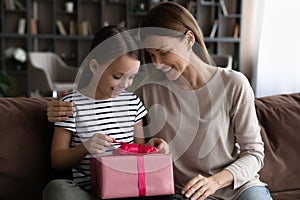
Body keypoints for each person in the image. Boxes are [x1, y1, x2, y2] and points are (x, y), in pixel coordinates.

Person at [47, 2, 272, 200]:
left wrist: (214, 182)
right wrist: (55, 105)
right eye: (151, 55)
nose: (157, 64)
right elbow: (103, 91)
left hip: (237, 189)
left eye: (163, 52)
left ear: (188, 39)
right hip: (183, 193)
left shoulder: (233, 83)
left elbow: (254, 153)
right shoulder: (148, 89)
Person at [43, 25, 169, 200]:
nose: (124, 85)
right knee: (57, 189)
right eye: (117, 76)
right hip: (88, 191)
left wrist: (153, 147)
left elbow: (138, 152)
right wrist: (85, 147)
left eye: (131, 77)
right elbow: (57, 160)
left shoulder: (133, 103)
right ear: (94, 66)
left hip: (126, 188)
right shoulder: (70, 104)